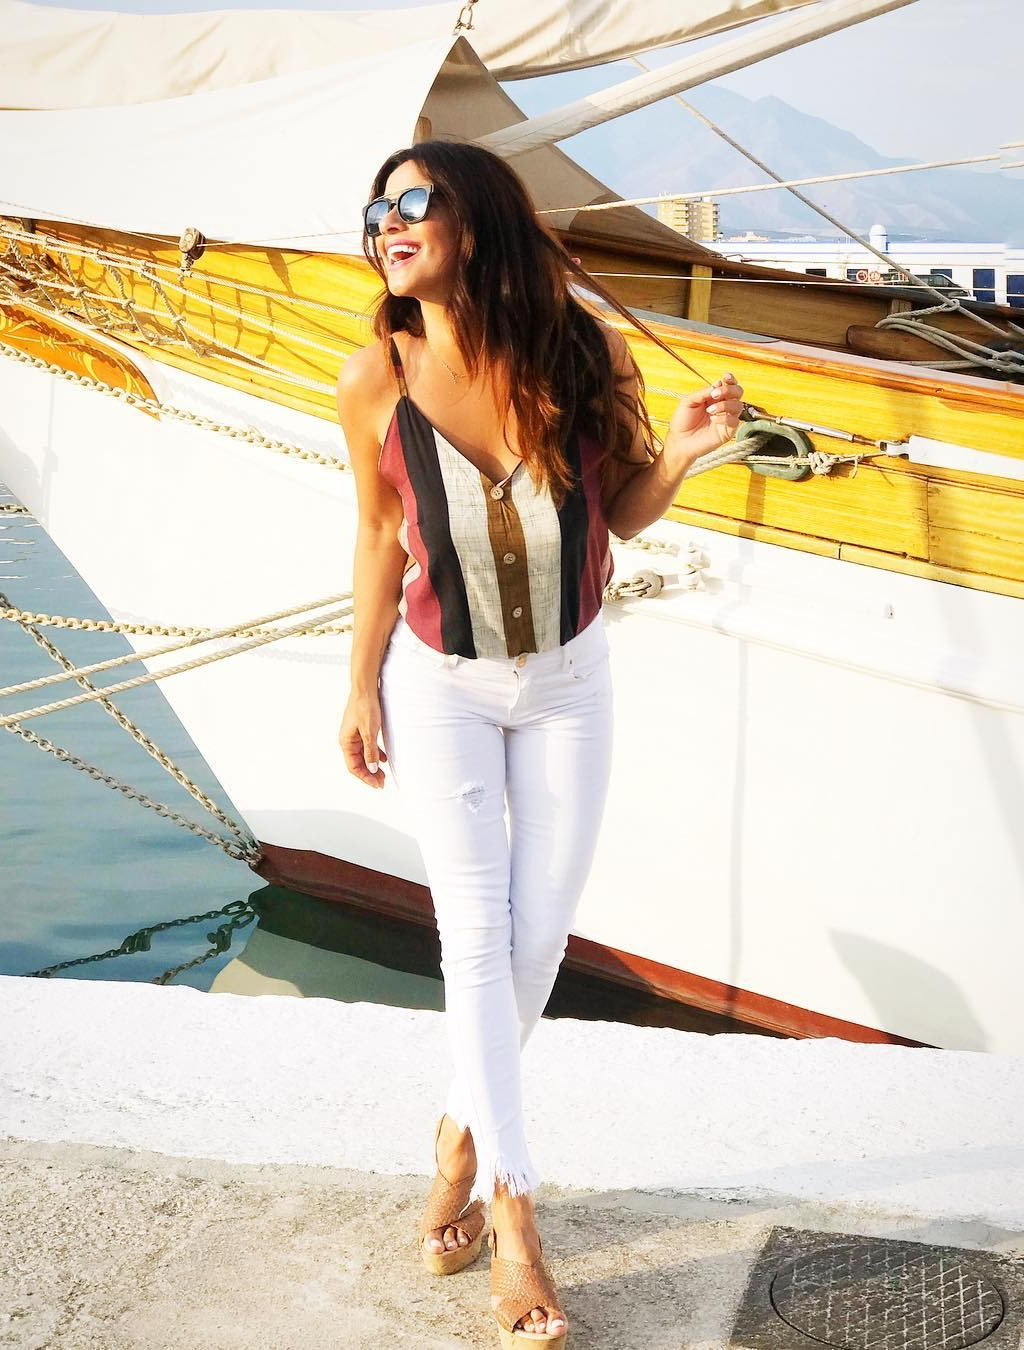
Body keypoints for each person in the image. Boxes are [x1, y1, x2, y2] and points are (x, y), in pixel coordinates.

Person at [336, 139, 744, 1346]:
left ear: (478, 221)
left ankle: (460, 1138)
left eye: (415, 201)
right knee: (475, 942)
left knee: (537, 942)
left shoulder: (587, 354)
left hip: (569, 684)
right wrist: (359, 686)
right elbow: (377, 538)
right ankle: (515, 1226)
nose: (389, 223)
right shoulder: (374, 378)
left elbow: (624, 510)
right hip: (440, 686)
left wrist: (680, 454)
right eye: (378, 208)